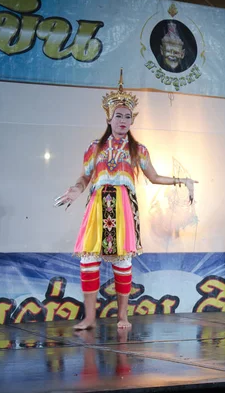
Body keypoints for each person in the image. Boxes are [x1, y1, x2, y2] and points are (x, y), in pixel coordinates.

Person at [55, 69, 197, 330]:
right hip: (98, 207)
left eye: (127, 116)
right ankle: (89, 318)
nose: (123, 120)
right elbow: (85, 178)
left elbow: (154, 177)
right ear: (109, 118)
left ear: (132, 121)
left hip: (122, 208)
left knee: (123, 261)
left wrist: (181, 181)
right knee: (89, 260)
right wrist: (75, 190)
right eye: (118, 115)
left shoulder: (138, 149)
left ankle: (123, 316)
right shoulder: (94, 147)